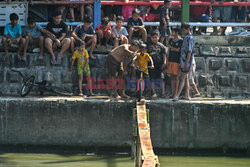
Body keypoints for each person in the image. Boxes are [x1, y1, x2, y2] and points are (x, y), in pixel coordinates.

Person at [173, 23, 194, 101]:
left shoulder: (190, 38)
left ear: (188, 29)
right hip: (183, 61)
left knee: (182, 78)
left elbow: (189, 51)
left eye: (184, 30)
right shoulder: (186, 37)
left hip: (186, 62)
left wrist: (186, 63)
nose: (183, 31)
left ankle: (177, 95)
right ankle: (187, 95)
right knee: (185, 78)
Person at [147, 30, 167, 98]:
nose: (154, 39)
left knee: (161, 78)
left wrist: (164, 63)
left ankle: (163, 93)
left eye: (156, 37)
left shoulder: (161, 46)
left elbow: (164, 55)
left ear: (158, 37)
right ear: (151, 38)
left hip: (160, 65)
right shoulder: (148, 46)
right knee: (152, 79)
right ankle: (154, 93)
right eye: (153, 37)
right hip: (151, 65)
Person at [166, 27, 183, 98]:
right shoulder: (171, 40)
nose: (172, 33)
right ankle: (172, 92)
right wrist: (167, 59)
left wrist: (171, 47)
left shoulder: (180, 41)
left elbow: (178, 50)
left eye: (173, 32)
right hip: (171, 60)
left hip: (177, 60)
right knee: (172, 76)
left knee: (176, 77)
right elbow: (169, 50)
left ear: (177, 32)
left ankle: (176, 92)